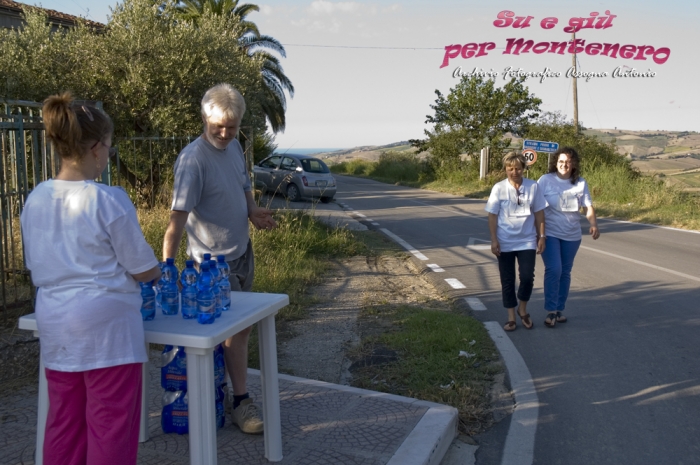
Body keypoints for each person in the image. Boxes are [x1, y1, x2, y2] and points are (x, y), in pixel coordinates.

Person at [20, 93, 161, 465]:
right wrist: (157, 269)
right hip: (107, 330)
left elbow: (37, 262)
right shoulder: (108, 200)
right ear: (97, 148)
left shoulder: (35, 199)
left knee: (63, 422)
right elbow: (143, 268)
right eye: (109, 147)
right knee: (110, 424)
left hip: (56, 323)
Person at [162, 83, 277, 434]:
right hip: (209, 269)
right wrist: (167, 269)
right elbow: (176, 221)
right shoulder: (193, 160)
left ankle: (229, 398)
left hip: (242, 256)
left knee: (239, 333)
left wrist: (253, 211)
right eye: (219, 126)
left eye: (232, 126)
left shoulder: (234, 149)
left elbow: (243, 186)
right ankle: (236, 400)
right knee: (223, 336)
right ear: (204, 118)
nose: (225, 134)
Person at [537, 147, 599, 327]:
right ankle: (550, 311)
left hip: (572, 235)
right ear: (556, 163)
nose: (564, 165)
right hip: (550, 233)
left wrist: (593, 224)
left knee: (565, 272)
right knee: (554, 269)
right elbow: (536, 207)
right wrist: (537, 232)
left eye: (568, 162)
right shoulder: (545, 180)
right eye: (561, 161)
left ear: (573, 165)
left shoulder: (580, 183)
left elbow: (588, 207)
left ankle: (558, 309)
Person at [485, 152, 547, 332]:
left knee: (527, 277)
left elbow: (539, 213)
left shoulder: (533, 186)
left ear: (524, 169)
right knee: (507, 279)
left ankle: (523, 308)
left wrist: (541, 236)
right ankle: (511, 316)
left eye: (518, 168)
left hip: (527, 240)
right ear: (505, 170)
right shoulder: (499, 188)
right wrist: (494, 239)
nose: (514, 172)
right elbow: (492, 215)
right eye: (510, 169)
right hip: (505, 241)